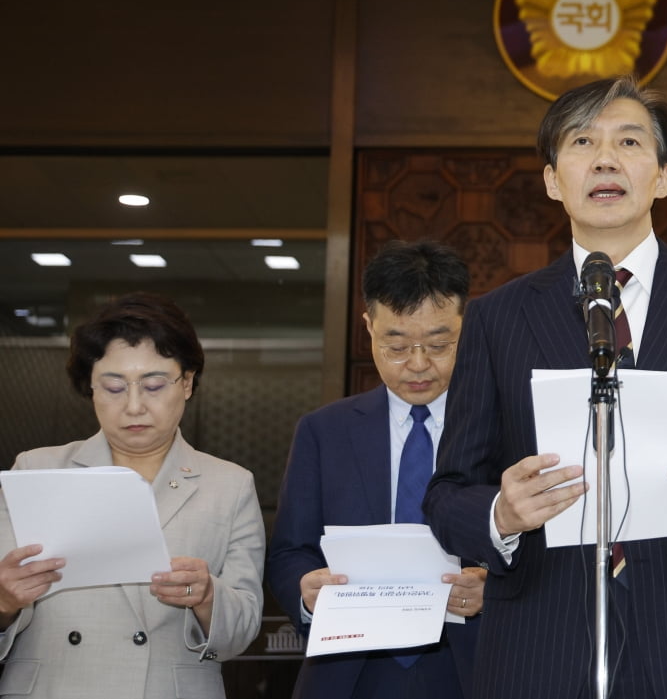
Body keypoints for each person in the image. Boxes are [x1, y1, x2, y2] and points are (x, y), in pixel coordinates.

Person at [423, 75, 667, 699]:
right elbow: (446, 494)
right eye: (583, 141)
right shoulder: (498, 317)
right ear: (553, 179)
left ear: (661, 176)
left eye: (629, 141)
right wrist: (501, 513)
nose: (605, 158)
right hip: (539, 647)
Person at [0, 292, 265, 698]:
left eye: (154, 385)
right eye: (114, 387)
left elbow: (243, 629)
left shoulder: (229, 484)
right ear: (90, 387)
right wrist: (4, 601)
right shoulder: (35, 470)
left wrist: (208, 595)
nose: (135, 406)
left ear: (187, 383)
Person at [267, 240, 483, 699]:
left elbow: (543, 555)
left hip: (473, 664)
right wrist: (307, 592)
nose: (420, 364)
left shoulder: (502, 428)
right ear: (368, 328)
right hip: (351, 670)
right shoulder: (324, 431)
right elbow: (290, 551)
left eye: (441, 344)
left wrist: (494, 590)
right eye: (397, 345)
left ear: (468, 327)